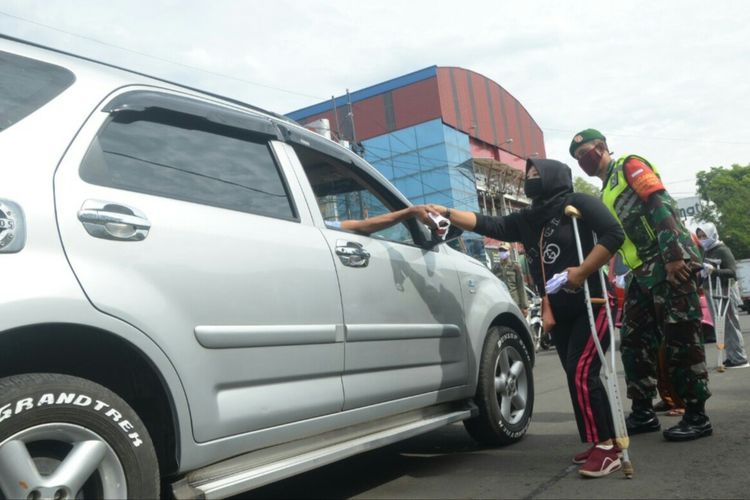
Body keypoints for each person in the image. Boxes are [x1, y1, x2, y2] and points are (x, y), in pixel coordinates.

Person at [428, 158, 625, 478]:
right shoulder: (529, 218)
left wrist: (583, 270)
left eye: (537, 175)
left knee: (581, 371)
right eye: (528, 175)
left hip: (593, 301)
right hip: (558, 311)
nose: (530, 180)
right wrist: (448, 213)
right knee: (577, 374)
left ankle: (607, 448)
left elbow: (614, 234)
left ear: (553, 177)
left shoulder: (578, 203)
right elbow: (489, 224)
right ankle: (598, 440)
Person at [570, 128, 712, 441]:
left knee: (681, 337)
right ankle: (644, 412)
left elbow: (659, 203)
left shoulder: (629, 166)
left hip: (668, 262)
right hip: (640, 272)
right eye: (578, 158)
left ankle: (697, 414)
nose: (584, 160)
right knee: (634, 342)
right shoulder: (606, 190)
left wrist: (674, 255)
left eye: (587, 152)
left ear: (603, 147)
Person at [696, 222, 749, 368]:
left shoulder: (722, 250)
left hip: (724, 290)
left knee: (730, 324)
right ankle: (730, 356)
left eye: (704, 236)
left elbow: (732, 272)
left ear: (712, 234)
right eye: (700, 236)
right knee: (721, 326)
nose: (702, 239)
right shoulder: (706, 251)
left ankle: (739, 357)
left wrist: (714, 271)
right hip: (712, 291)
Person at [325, 205, 435, 235]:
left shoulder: (323, 226)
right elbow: (361, 226)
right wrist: (410, 212)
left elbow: (361, 225)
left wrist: (411, 211)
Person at [492, 243, 529, 315]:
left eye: (504, 250)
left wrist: (524, 306)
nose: (502, 252)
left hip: (515, 302)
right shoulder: (495, 268)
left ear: (509, 252)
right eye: (500, 250)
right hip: (502, 303)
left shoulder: (515, 266)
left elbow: (521, 286)